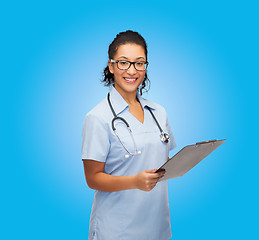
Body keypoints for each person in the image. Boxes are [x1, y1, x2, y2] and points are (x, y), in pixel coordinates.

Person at [82, 30, 176, 240]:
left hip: (157, 225)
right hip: (117, 229)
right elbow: (92, 178)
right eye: (124, 62)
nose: (132, 70)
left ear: (145, 67)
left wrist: (185, 161)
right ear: (111, 66)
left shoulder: (159, 112)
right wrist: (134, 181)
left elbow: (162, 159)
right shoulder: (97, 117)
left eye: (139, 63)